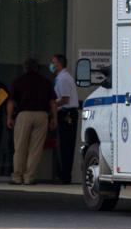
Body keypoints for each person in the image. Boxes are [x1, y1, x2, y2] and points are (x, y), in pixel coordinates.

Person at [6, 57, 57, 185]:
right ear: (37, 68)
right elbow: (52, 102)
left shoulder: (18, 81)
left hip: (24, 115)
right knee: (36, 149)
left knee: (20, 147)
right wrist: (54, 118)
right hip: (42, 115)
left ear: (25, 68)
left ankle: (17, 176)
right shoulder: (46, 82)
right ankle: (29, 177)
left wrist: (9, 117)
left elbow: (11, 101)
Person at [51, 53, 79, 184]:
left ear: (59, 63)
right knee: (63, 145)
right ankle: (63, 174)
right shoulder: (62, 77)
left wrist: (52, 104)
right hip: (65, 113)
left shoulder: (63, 79)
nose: (52, 65)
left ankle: (64, 175)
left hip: (67, 114)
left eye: (54, 62)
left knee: (65, 146)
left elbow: (65, 99)